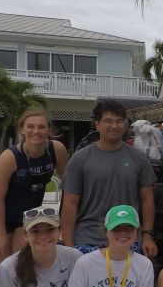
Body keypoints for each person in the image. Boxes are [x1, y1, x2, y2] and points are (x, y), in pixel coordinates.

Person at [0, 108, 69, 277]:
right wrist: (2, 235)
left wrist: (64, 219)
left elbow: (69, 185)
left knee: (21, 258)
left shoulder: (57, 150)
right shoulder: (9, 157)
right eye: (30, 126)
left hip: (26, 213)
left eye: (41, 127)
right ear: (22, 129)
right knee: (3, 261)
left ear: (49, 130)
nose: (36, 131)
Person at [60, 99, 157, 258]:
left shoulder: (139, 159)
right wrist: (68, 245)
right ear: (97, 124)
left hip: (129, 239)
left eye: (119, 121)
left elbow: (147, 200)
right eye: (108, 121)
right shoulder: (79, 159)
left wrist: (147, 235)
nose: (114, 126)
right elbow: (70, 203)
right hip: (88, 241)